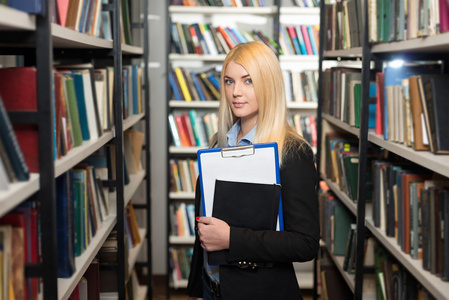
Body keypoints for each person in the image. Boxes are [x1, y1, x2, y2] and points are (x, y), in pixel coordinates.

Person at [186, 41, 320, 300]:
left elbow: (305, 244)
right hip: (211, 288)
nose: (236, 91)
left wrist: (231, 239)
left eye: (248, 81)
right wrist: (196, 288)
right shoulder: (218, 143)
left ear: (268, 84)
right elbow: (205, 224)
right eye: (229, 81)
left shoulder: (291, 152)